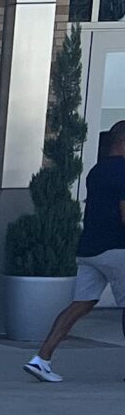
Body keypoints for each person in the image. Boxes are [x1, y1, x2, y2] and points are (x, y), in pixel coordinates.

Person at [25, 121, 125, 380]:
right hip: (117, 248)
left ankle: (42, 358)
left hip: (89, 249)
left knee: (80, 304)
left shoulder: (96, 171)